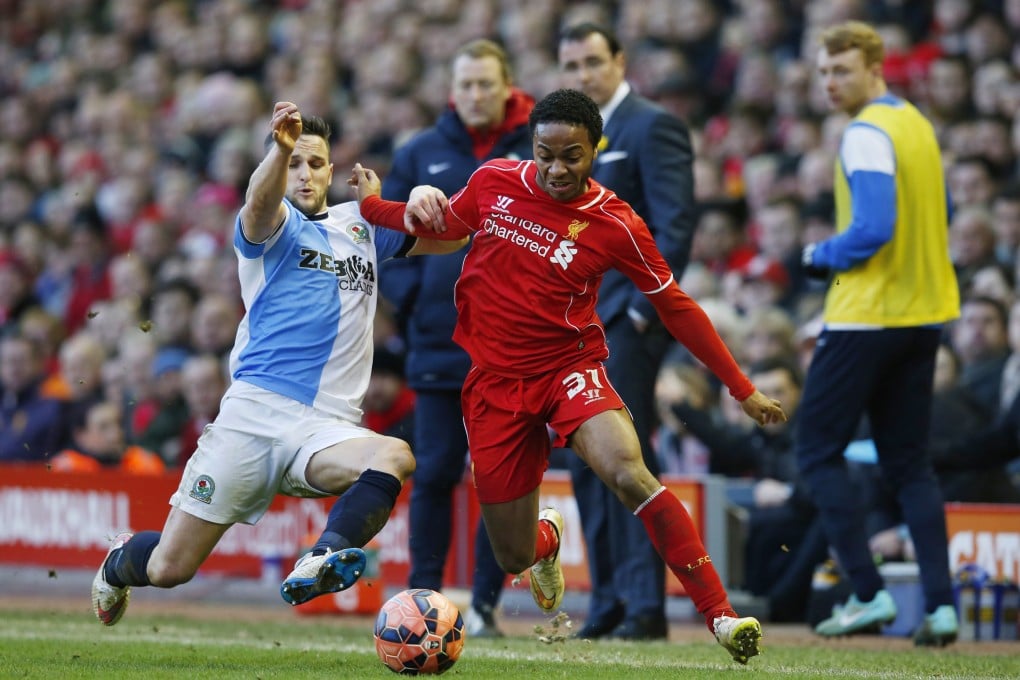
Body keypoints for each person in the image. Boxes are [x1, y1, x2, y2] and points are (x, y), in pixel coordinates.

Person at [358, 88, 787, 665]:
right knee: (513, 557)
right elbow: (437, 228)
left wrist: (743, 389)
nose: (557, 169)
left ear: (594, 151)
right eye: (546, 154)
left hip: (568, 370)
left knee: (629, 473)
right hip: (493, 384)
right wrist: (373, 205)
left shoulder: (616, 222)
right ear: (532, 147)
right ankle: (547, 539)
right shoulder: (494, 181)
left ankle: (722, 617)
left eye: (572, 156)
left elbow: (677, 307)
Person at [89, 102, 467, 627]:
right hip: (253, 418)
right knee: (170, 568)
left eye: (315, 163)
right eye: (294, 164)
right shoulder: (271, 225)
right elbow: (258, 202)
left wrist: (417, 198)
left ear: (331, 172)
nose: (304, 174)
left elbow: (453, 237)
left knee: (395, 455)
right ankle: (118, 562)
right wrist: (281, 149)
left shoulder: (360, 224)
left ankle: (322, 556)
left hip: (326, 428)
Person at [797, 21, 960, 646]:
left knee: (816, 450)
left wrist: (818, 254)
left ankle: (867, 592)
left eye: (841, 70)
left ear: (874, 68)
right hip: (924, 314)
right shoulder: (915, 124)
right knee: (911, 465)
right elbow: (938, 214)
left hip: (866, 315)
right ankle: (941, 608)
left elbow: (872, 228)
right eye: (823, 72)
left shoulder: (865, 132)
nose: (829, 83)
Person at [379, 38, 534, 638]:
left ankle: (486, 605)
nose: (475, 94)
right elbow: (386, 235)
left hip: (512, 346)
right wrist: (416, 298)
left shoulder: (536, 146)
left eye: (485, 84)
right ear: (452, 89)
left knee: (499, 476)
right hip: (439, 341)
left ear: (506, 86)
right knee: (437, 469)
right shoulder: (419, 152)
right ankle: (420, 596)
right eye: (465, 84)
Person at [556, 21, 696, 640]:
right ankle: (608, 598)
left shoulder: (651, 126)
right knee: (588, 459)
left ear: (619, 61)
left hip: (624, 325)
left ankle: (644, 605)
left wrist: (643, 313)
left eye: (592, 61)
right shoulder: (568, 139)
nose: (583, 74)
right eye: (571, 66)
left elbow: (675, 224)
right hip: (574, 328)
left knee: (626, 458)